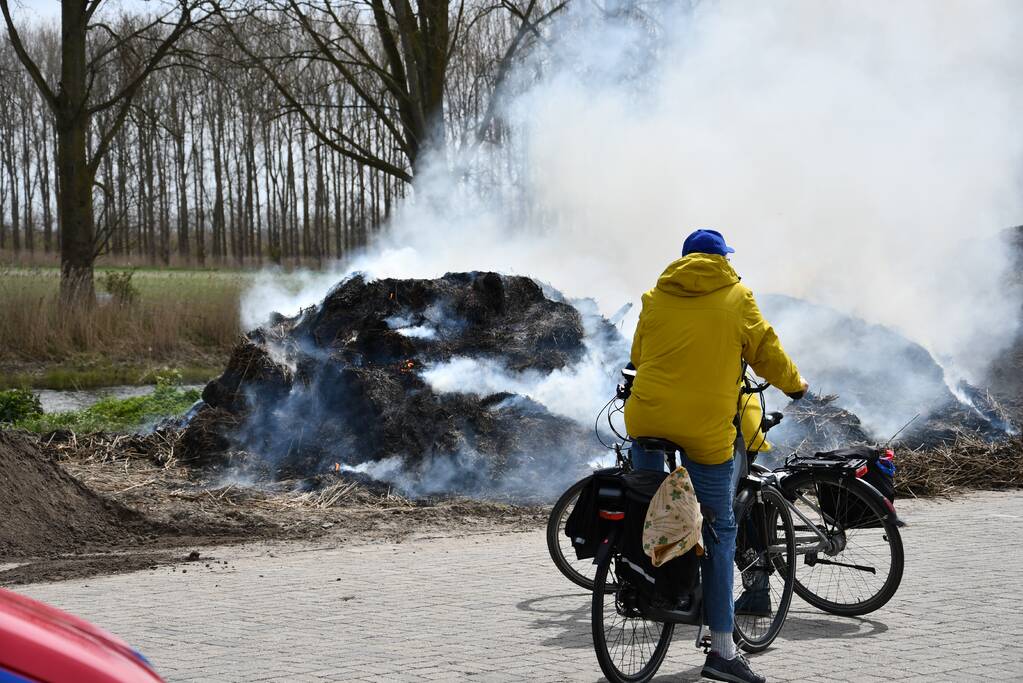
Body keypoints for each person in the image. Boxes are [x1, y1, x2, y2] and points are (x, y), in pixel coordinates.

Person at [624, 229, 808, 683]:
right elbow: (766, 351)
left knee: (642, 504)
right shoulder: (738, 296)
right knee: (719, 528)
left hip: (646, 418)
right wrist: (795, 386)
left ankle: (644, 583)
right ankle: (723, 651)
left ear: (684, 260)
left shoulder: (654, 296)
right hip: (705, 428)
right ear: (723, 259)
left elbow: (639, 356)